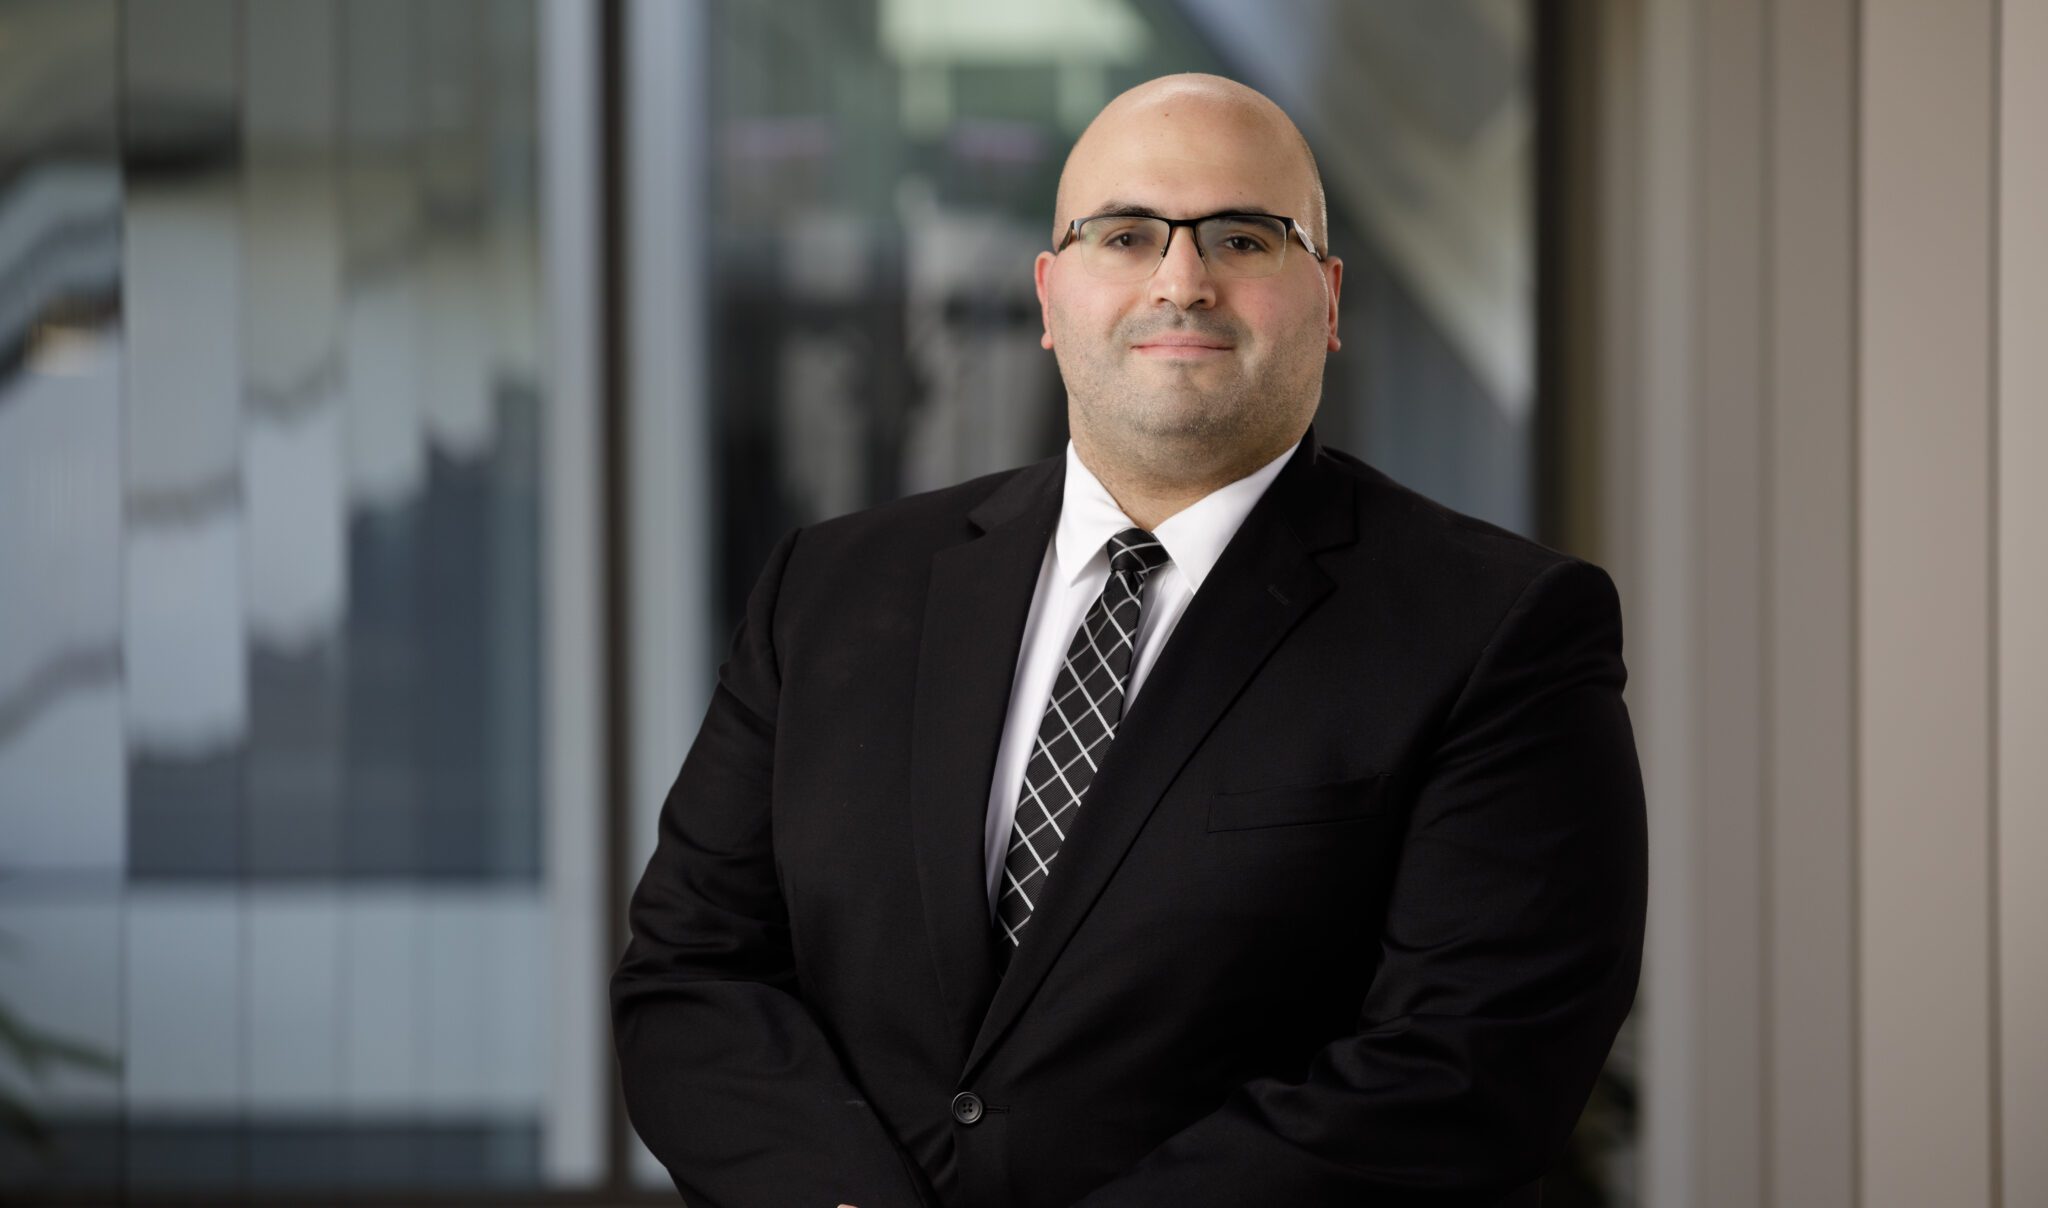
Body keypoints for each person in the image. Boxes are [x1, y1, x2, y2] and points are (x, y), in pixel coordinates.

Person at [612, 73, 1646, 1208]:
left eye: (1245, 237)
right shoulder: (833, 587)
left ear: (1328, 298)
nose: (1181, 280)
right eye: (1124, 233)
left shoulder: (1499, 629)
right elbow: (692, 973)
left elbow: (1468, 1064)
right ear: (1050, 294)